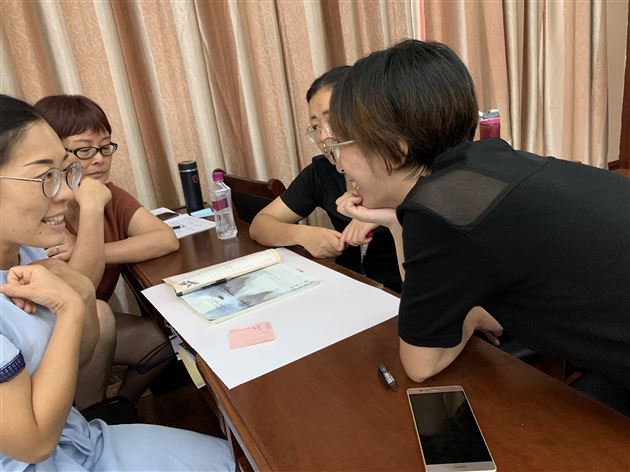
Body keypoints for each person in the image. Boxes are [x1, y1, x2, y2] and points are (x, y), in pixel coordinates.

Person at [330, 40, 630, 415]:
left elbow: (420, 362)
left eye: (341, 144)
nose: (338, 164)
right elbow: (432, 304)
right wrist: (395, 219)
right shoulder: (489, 164)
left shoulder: (440, 211)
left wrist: (470, 315)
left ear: (396, 150)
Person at [0, 94, 234, 470]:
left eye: (64, 171)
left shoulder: (25, 249)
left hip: (77, 438)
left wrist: (76, 292)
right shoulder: (43, 234)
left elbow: (83, 351)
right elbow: (34, 445)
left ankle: (115, 407)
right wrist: (72, 304)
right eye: (46, 176)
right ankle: (106, 407)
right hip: (43, 457)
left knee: (236, 456)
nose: (65, 191)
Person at [34, 95, 179, 409]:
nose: (99, 159)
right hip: (46, 338)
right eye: (84, 150)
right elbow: (81, 291)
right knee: (99, 312)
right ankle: (91, 414)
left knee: (161, 341)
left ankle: (119, 408)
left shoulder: (108, 194)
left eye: (105, 147)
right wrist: (90, 208)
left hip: (94, 329)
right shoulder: (41, 210)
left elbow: (165, 239)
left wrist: (89, 248)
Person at [250, 67, 402, 292]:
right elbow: (259, 226)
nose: (323, 137)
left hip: (401, 292)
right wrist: (303, 235)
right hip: (351, 287)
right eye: (316, 126)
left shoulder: (400, 164)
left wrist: (385, 215)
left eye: (331, 120)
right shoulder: (322, 171)